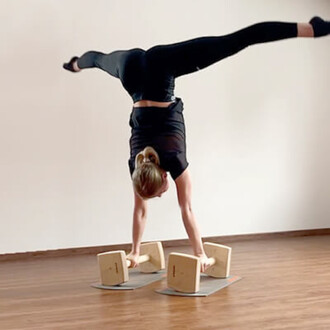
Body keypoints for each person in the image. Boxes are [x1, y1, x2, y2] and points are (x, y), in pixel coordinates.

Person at [63, 17, 329, 271]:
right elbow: (142, 209)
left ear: (163, 176)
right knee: (97, 60)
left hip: (159, 68)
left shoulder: (174, 159)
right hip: (130, 70)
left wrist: (199, 253)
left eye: (159, 193)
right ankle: (76, 64)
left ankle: (312, 29)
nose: (161, 195)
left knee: (235, 42)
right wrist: (133, 251)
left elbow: (185, 209)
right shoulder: (137, 166)